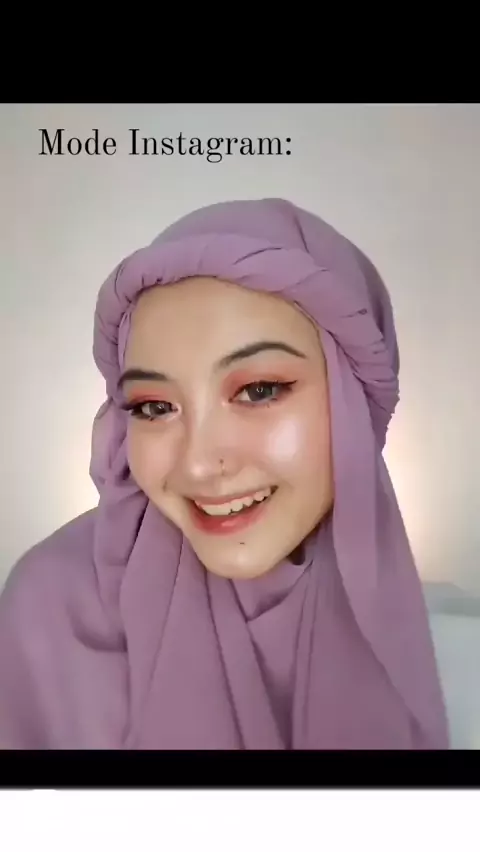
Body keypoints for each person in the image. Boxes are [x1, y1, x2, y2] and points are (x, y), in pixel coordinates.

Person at [0, 198, 449, 749]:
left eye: (258, 391)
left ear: (354, 398)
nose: (196, 464)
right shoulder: (51, 612)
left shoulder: (450, 640)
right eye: (154, 407)